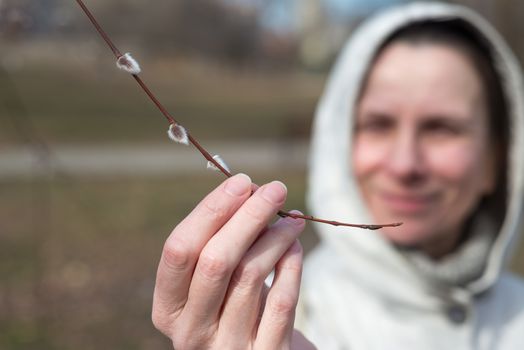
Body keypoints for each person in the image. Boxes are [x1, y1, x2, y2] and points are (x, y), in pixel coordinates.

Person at [151, 2, 524, 349]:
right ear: (338, 141)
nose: (405, 163)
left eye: (441, 128)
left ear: (496, 161)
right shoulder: (261, 314)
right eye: (378, 124)